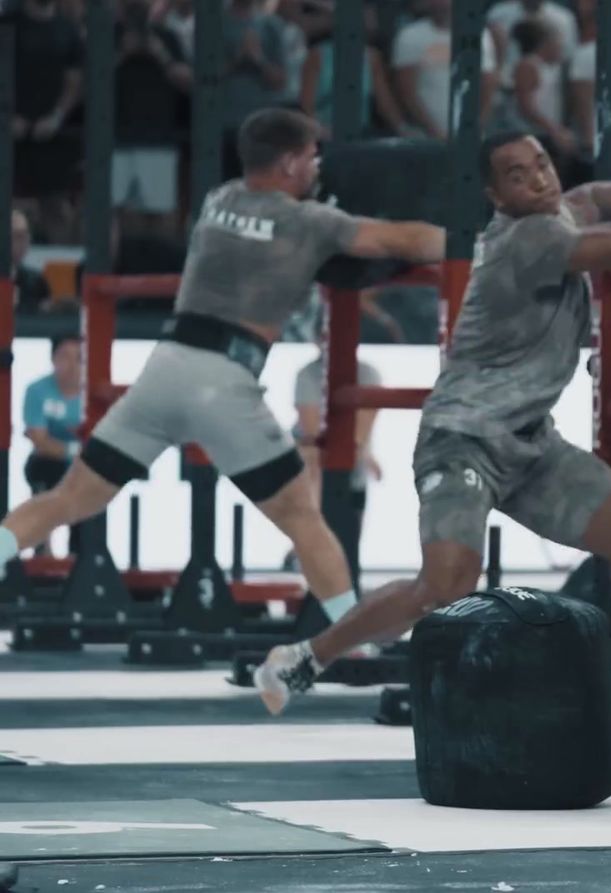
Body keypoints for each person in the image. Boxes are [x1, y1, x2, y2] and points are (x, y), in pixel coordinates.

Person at [254, 132, 611, 717]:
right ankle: (306, 657)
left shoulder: (557, 208)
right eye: (518, 175)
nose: (538, 179)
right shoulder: (528, 237)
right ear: (494, 194)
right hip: (461, 440)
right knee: (443, 585)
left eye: (541, 164)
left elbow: (603, 194)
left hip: (531, 442)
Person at [0, 109, 444, 623]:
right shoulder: (311, 222)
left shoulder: (218, 200)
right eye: (311, 158)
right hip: (223, 383)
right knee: (303, 520)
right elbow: (402, 240)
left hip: (163, 371)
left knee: (71, 497)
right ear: (291, 162)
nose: (317, 167)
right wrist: (476, 239)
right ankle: (349, 639)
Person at [281, 352, 383, 572]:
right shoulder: (308, 375)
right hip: (311, 451)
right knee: (314, 463)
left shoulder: (367, 374)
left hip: (350, 453)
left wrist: (360, 455)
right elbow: (311, 433)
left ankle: (340, 557)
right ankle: (309, 547)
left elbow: (361, 433)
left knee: (350, 490)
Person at [21, 335, 84, 557]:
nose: (72, 365)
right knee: (43, 467)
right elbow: (39, 439)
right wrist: (73, 451)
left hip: (82, 471)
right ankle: (42, 552)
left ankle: (80, 557)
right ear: (53, 359)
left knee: (90, 484)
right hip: (49, 466)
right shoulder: (37, 390)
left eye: (79, 358)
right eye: (64, 357)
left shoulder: (94, 394)